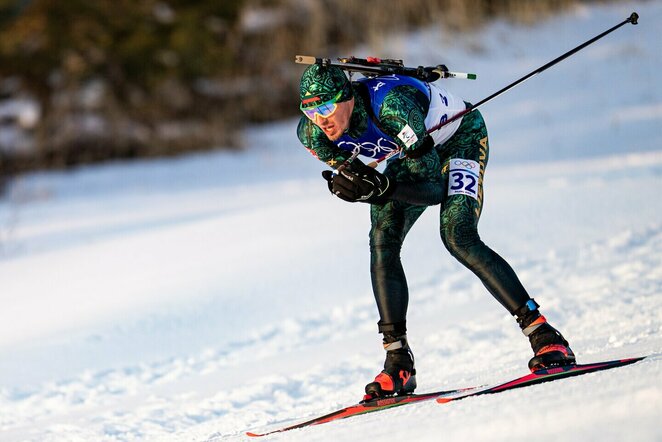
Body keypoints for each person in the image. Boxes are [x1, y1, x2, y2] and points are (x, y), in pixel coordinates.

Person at [296, 63, 575, 401]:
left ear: (348, 98)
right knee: (382, 240)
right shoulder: (312, 135)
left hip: (460, 141)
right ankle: (398, 359)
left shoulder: (393, 108)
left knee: (458, 235)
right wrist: (358, 184)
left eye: (325, 107)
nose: (320, 119)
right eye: (310, 110)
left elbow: (435, 189)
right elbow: (362, 175)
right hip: (412, 151)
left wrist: (383, 186)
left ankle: (544, 334)